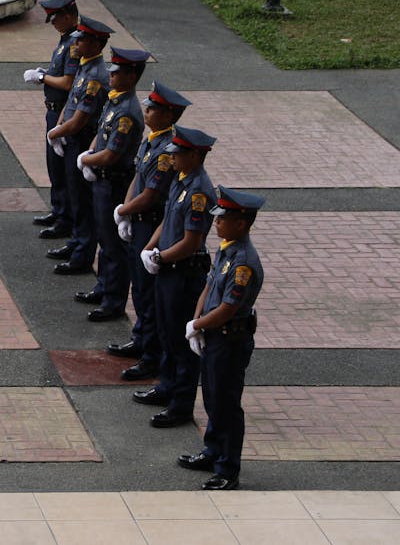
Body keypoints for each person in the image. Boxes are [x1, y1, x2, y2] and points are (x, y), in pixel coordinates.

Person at [177, 186, 265, 491]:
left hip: (230, 341)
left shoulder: (243, 263)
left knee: (226, 403)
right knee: (213, 398)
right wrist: (197, 322)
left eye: (222, 218)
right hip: (215, 337)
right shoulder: (227, 249)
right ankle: (212, 451)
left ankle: (228, 469)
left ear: (241, 223)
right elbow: (209, 287)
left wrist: (199, 324)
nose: (216, 222)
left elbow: (228, 308)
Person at [131, 126, 218, 428]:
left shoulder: (198, 191)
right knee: (166, 334)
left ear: (194, 155)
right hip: (168, 270)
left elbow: (192, 241)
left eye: (179, 154)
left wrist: (160, 257)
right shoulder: (181, 181)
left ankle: (180, 405)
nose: (174, 159)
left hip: (183, 273)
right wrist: (150, 248)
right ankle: (166, 386)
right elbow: (168, 221)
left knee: (181, 345)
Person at [109, 82, 191, 381]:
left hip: (149, 221)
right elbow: (138, 179)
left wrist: (124, 211)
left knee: (147, 292)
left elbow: (152, 194)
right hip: (139, 219)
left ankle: (151, 355)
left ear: (169, 114)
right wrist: (127, 208)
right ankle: (142, 339)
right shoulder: (152, 140)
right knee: (139, 287)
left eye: (154, 108)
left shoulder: (168, 151)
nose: (148, 111)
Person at [77, 47, 150, 321]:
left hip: (113, 181)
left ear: (131, 76)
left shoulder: (128, 112)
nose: (112, 76)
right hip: (102, 180)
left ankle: (113, 301)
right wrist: (91, 155)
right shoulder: (115, 100)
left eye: (117, 73)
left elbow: (112, 154)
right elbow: (100, 135)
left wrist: (88, 160)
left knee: (114, 245)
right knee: (104, 238)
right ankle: (103, 286)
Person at [46, 16, 114, 276]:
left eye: (82, 40)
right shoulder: (85, 67)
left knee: (82, 200)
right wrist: (61, 124)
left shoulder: (96, 75)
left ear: (96, 43)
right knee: (74, 195)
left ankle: (82, 253)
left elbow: (81, 118)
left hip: (81, 138)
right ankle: (75, 242)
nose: (77, 45)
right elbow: (71, 103)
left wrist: (58, 131)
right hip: (71, 136)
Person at [24, 0, 80, 241]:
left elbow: (68, 83)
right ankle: (58, 210)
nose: (53, 23)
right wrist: (46, 72)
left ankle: (65, 219)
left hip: (62, 114)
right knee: (54, 167)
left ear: (68, 16)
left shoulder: (75, 44)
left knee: (64, 168)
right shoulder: (65, 39)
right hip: (53, 111)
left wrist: (43, 77)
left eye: (56, 18)